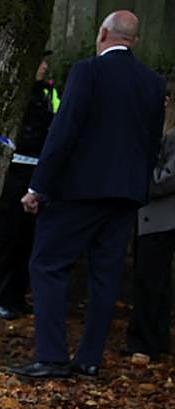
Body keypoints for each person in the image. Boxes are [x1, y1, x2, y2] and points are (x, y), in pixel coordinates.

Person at [12, 10, 165, 380]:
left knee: (48, 265)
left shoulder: (87, 72)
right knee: (105, 275)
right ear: (135, 40)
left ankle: (51, 355)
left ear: (102, 34)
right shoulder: (153, 83)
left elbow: (64, 131)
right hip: (125, 194)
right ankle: (89, 358)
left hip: (77, 191)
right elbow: (152, 143)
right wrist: (138, 188)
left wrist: (38, 186)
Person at [0, 53, 61, 321]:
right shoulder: (10, 95)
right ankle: (0, 298)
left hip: (37, 173)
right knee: (7, 237)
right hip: (13, 172)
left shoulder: (48, 93)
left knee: (28, 240)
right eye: (40, 61)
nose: (44, 66)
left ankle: (17, 297)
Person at [126, 80, 175, 363]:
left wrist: (142, 179)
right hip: (155, 215)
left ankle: (144, 341)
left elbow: (167, 177)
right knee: (154, 281)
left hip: (159, 217)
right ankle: (152, 338)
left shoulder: (169, 135)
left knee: (150, 280)